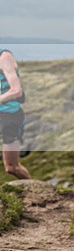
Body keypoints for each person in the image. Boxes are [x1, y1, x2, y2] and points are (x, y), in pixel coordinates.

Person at [0, 48, 31, 180]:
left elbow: (16, 91)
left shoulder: (4, 57)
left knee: (12, 168)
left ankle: (36, 189)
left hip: (9, 115)